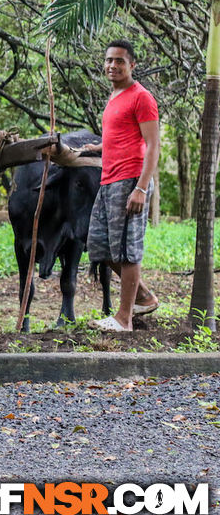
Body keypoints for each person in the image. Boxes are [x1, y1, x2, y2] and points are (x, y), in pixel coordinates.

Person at [83, 40, 160, 332]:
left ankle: (124, 319)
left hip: (130, 180)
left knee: (127, 250)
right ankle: (143, 296)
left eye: (119, 61)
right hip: (108, 180)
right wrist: (99, 147)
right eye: (108, 60)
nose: (112, 66)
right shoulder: (115, 96)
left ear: (132, 65)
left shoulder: (142, 97)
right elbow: (122, 137)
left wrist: (141, 188)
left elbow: (153, 146)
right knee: (99, 246)